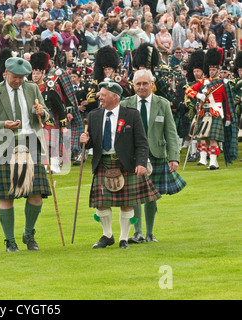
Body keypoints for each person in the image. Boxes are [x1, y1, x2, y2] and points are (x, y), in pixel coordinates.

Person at [0, 56, 51, 252]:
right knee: (7, 196)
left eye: (22, 77)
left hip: (31, 144)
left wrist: (42, 113)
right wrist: (4, 125)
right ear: (5, 73)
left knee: (36, 195)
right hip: (6, 145)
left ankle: (29, 234)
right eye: (15, 77)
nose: (18, 81)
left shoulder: (33, 89)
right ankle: (10, 240)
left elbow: (47, 113)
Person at [79, 80, 161, 249]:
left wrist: (141, 163)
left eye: (103, 95)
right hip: (103, 163)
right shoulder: (94, 115)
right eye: (99, 94)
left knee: (127, 203)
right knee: (101, 202)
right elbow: (94, 142)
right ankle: (107, 235)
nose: (99, 97)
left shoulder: (131, 115)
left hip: (126, 163)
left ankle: (124, 238)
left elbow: (142, 142)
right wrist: (86, 141)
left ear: (114, 97)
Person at [121, 69, 186, 243]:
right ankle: (138, 232)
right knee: (135, 194)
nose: (141, 87)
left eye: (145, 83)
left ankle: (149, 233)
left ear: (152, 84)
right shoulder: (126, 104)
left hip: (156, 154)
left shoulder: (162, 104)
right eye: (138, 84)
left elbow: (171, 132)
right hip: (133, 156)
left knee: (151, 195)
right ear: (133, 86)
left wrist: (174, 157)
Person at [184, 48, 239, 169]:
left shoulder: (223, 83)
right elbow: (187, 90)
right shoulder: (203, 82)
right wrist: (198, 95)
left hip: (216, 112)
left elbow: (228, 102)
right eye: (210, 69)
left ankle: (213, 162)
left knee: (213, 138)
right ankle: (205, 159)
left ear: (218, 70)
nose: (212, 71)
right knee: (204, 138)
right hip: (204, 112)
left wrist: (229, 117)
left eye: (214, 69)